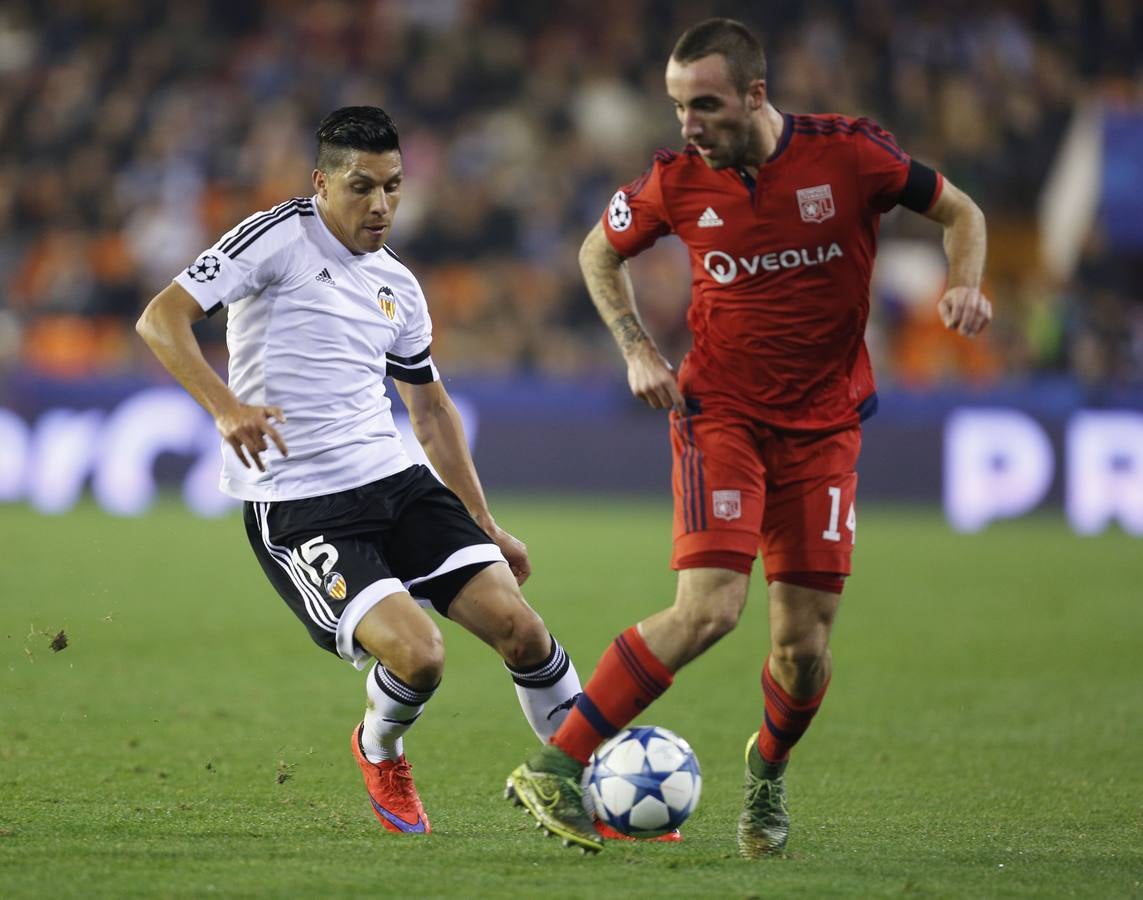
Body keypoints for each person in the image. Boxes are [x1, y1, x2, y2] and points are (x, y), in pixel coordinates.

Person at [505, 18, 992, 856]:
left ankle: (764, 776)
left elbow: (962, 211)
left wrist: (966, 285)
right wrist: (634, 350)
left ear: (755, 96)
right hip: (719, 415)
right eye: (676, 105)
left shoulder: (850, 156)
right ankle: (553, 765)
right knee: (711, 610)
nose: (687, 125)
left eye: (704, 105)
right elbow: (597, 251)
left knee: (802, 649)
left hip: (826, 426)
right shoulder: (675, 180)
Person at [135, 106, 584, 835]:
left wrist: (484, 523)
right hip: (300, 501)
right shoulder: (274, 237)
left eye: (393, 187)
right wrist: (224, 408)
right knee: (421, 656)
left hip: (394, 478)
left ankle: (581, 779)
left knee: (522, 631)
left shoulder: (399, 286)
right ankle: (379, 748)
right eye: (360, 186)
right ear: (321, 182)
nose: (379, 205)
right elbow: (161, 318)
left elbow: (431, 413)